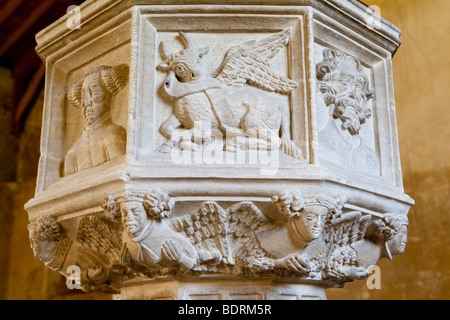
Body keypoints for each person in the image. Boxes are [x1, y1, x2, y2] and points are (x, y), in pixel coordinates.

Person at [63, 64, 128, 176]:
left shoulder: (114, 136)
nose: (87, 102)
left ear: (107, 97)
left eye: (94, 93)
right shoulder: (72, 153)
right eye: (84, 96)